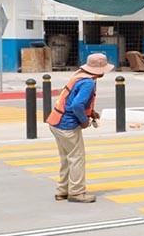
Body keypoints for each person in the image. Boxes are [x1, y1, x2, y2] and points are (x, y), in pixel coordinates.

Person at [45, 53, 114, 203]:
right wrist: (84, 121)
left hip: (56, 122)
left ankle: (62, 190)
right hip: (67, 125)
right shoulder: (88, 83)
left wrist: (91, 113)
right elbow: (76, 105)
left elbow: (73, 102)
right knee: (77, 159)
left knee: (66, 158)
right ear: (100, 70)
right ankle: (76, 192)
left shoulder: (79, 77)